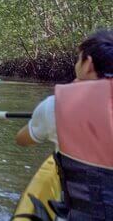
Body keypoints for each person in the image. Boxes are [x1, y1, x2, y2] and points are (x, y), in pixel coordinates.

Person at [15, 30, 113, 219]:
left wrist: (40, 117)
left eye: (78, 60)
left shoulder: (56, 106)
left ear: (88, 64)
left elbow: (22, 139)